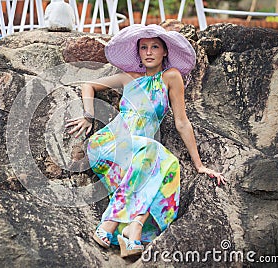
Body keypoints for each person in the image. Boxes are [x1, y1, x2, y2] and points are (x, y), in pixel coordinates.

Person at [65, 24, 226, 258]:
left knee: (166, 164)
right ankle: (110, 223)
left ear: (165, 52)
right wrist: (89, 116)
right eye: (143, 48)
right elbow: (87, 85)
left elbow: (182, 122)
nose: (149, 52)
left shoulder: (171, 77)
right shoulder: (128, 77)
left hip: (141, 155)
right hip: (109, 144)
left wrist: (199, 165)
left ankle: (132, 230)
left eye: (154, 47)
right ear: (138, 53)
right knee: (155, 153)